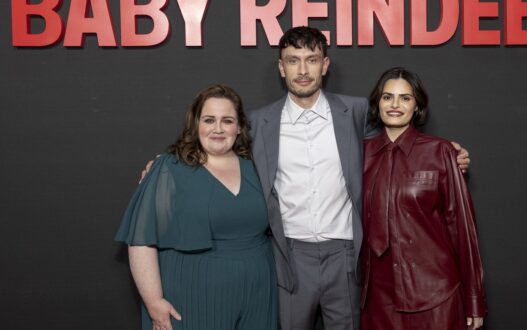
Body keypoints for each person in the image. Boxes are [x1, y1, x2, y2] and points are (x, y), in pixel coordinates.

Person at [142, 27, 471, 330]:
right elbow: (220, 145)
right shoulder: (258, 123)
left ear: (325, 65)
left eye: (311, 60)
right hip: (289, 258)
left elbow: (397, 139)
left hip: (345, 256)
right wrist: (171, 163)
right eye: (293, 61)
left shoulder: (355, 113)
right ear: (281, 68)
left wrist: (444, 152)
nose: (302, 70)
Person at [116, 85, 277, 330]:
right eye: (209, 120)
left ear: (240, 127)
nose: (218, 129)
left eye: (228, 120)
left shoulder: (257, 166)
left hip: (258, 292)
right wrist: (153, 301)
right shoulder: (168, 169)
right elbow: (141, 241)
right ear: (196, 124)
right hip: (192, 292)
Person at [360, 67, 486, 330]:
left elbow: (463, 230)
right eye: (387, 97)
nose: (395, 104)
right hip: (377, 300)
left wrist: (474, 299)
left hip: (434, 295)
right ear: (377, 103)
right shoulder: (359, 155)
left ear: (416, 106)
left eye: (405, 98)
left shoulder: (440, 152)